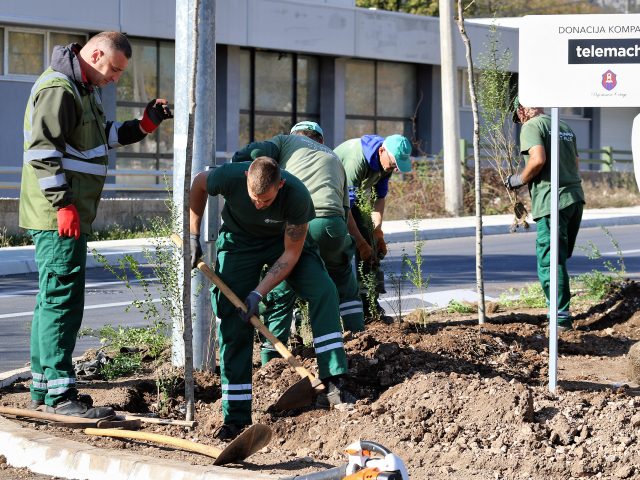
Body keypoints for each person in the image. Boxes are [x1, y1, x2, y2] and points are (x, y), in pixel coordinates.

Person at [19, 32, 173, 418]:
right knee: (62, 299)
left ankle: (44, 388)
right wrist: (63, 204)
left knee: (53, 296)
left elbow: (100, 138)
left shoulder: (82, 88)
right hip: (58, 215)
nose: (115, 79)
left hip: (66, 213)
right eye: (115, 69)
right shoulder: (59, 88)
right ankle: (59, 396)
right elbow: (42, 152)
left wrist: (143, 124)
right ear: (97, 53)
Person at [189, 157, 353, 441]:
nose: (258, 205)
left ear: (281, 185)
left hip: (284, 243)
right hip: (239, 242)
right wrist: (192, 235)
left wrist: (257, 293)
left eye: (265, 200)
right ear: (245, 181)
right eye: (254, 198)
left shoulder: (297, 196)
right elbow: (199, 183)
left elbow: (290, 255)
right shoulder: (228, 177)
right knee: (232, 315)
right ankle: (236, 417)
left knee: (323, 289)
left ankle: (333, 380)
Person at [231, 121, 364, 366]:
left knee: (282, 289)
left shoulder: (284, 142)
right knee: (343, 276)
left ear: (295, 136)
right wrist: (348, 244)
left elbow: (255, 153)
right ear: (320, 140)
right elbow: (346, 212)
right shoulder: (334, 156)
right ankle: (360, 338)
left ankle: (271, 358)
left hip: (301, 223)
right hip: (333, 225)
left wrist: (235, 164)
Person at [506, 100, 585, 331]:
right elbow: (576, 163)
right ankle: (561, 312)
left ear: (523, 110)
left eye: (518, 117)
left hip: (553, 202)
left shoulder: (532, 126)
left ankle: (560, 320)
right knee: (558, 258)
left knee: (550, 261)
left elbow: (538, 159)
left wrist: (519, 180)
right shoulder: (563, 126)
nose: (520, 122)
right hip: (574, 198)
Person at [333, 134, 413, 323]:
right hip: (331, 202)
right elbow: (346, 208)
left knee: (372, 247)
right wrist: (360, 243)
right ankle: (345, 311)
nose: (393, 168)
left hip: (350, 202)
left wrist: (377, 232)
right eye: (393, 163)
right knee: (345, 250)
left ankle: (370, 305)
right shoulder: (356, 160)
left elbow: (379, 198)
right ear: (381, 151)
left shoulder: (386, 163)